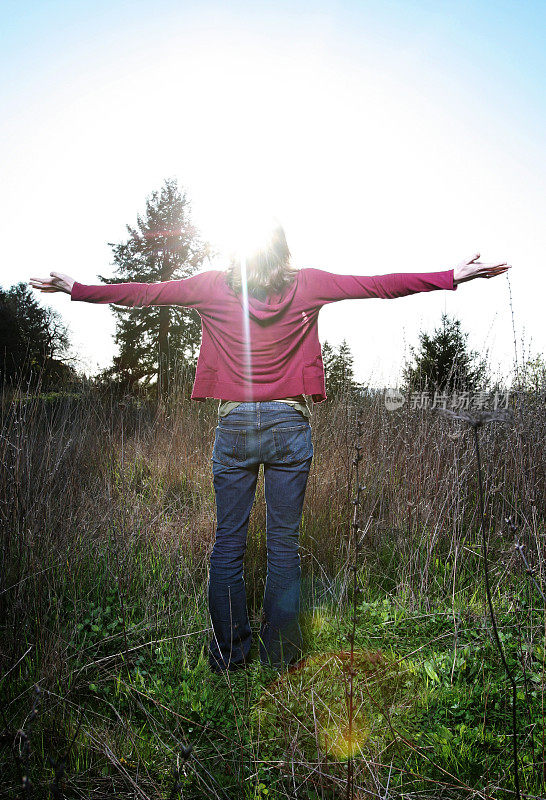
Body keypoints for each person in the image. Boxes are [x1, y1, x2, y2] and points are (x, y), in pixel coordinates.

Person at [29, 224, 510, 673]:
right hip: (288, 421)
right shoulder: (307, 283)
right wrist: (451, 277)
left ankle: (228, 656)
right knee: (283, 547)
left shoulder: (212, 285)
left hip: (235, 423)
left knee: (227, 547)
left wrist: (78, 289)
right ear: (283, 251)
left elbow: (146, 294)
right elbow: (379, 285)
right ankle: (280, 656)